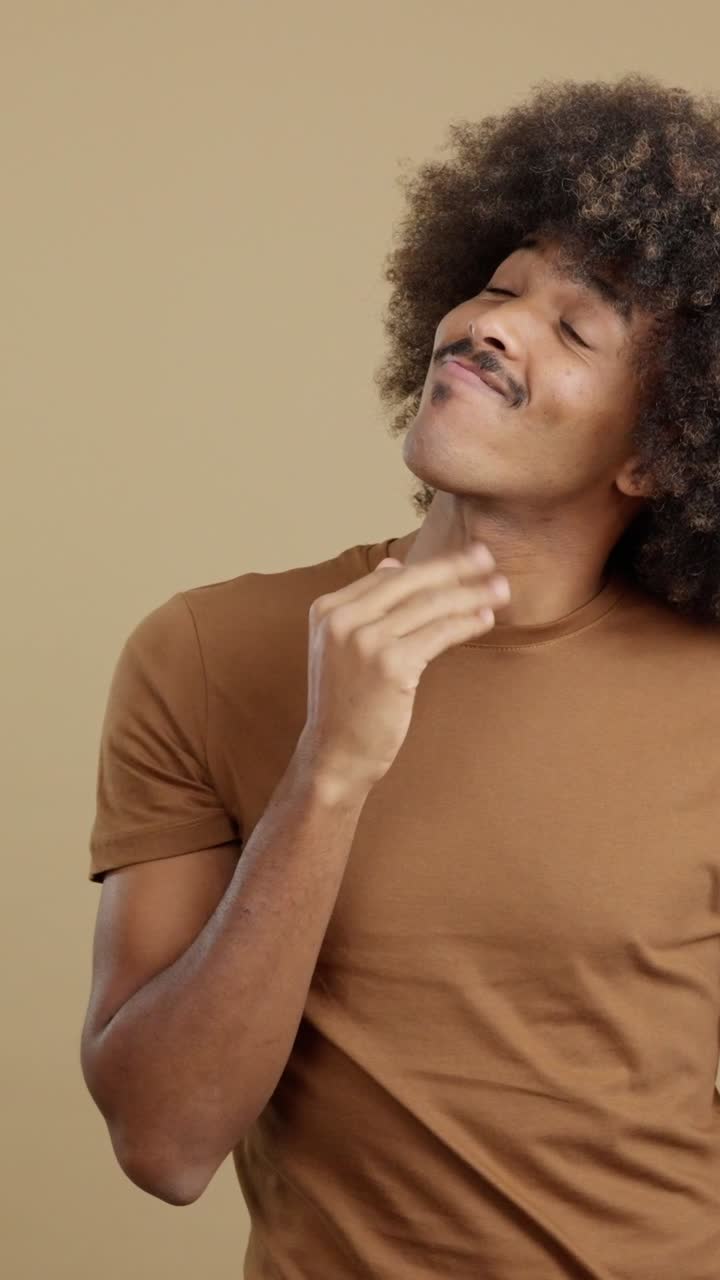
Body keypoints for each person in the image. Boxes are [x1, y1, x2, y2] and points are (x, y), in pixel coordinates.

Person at [81, 72, 720, 1279]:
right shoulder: (209, 652)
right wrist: (329, 770)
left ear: (656, 452)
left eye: (574, 328)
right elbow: (163, 1143)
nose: (493, 324)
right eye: (496, 286)